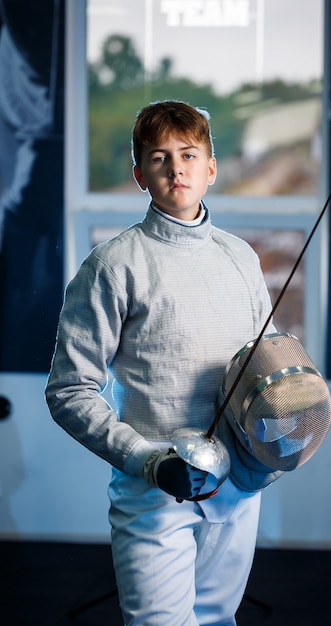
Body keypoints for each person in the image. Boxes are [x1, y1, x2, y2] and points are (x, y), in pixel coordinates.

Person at [45, 100, 276, 626]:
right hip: (155, 489)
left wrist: (273, 446)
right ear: (139, 175)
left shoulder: (240, 257)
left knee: (218, 620)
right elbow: (69, 390)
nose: (177, 169)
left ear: (211, 168)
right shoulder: (113, 263)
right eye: (159, 157)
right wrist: (147, 461)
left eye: (190, 155)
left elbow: (268, 366)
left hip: (237, 486)